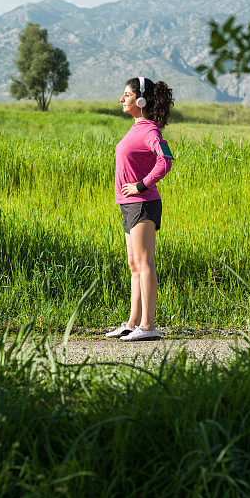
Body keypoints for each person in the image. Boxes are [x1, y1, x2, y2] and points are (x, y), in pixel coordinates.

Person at [106, 76, 175, 342]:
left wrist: (141, 185)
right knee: (134, 264)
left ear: (141, 100)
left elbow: (165, 161)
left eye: (127, 94)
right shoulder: (136, 128)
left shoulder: (149, 130)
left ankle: (148, 326)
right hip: (129, 205)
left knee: (145, 264)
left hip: (143, 203)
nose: (122, 99)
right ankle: (132, 322)